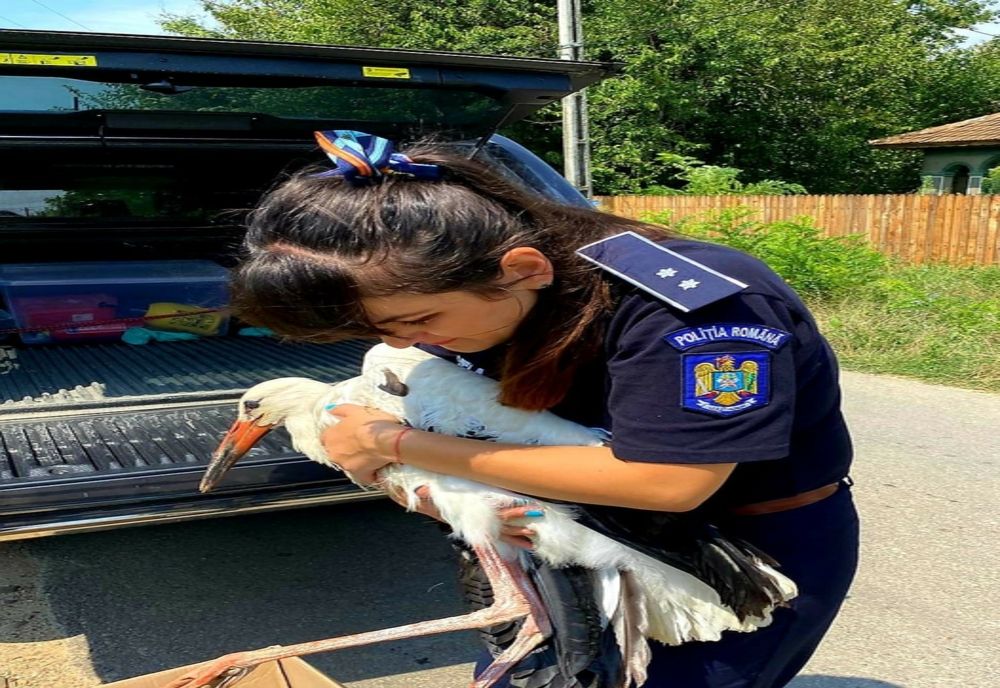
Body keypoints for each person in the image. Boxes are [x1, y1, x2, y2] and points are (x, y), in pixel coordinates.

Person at [230, 130, 859, 688]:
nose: (403, 342)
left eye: (418, 321)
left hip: (736, 547)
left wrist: (391, 445)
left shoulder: (693, 309)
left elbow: (670, 482)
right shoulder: (467, 305)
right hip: (567, 536)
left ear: (523, 268)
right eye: (380, 328)